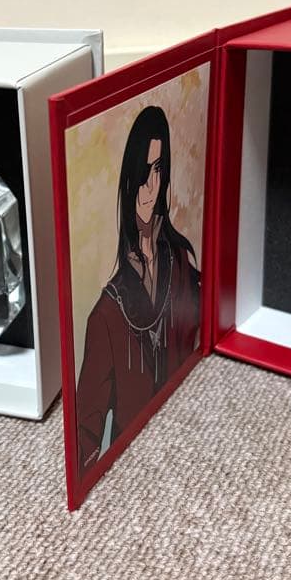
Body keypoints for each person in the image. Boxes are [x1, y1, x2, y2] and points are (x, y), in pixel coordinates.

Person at [76, 106, 201, 472]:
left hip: (187, 427)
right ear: (129, 179)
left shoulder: (181, 263)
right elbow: (86, 434)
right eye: (143, 172)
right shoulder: (106, 317)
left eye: (159, 169)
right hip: (133, 463)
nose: (151, 186)